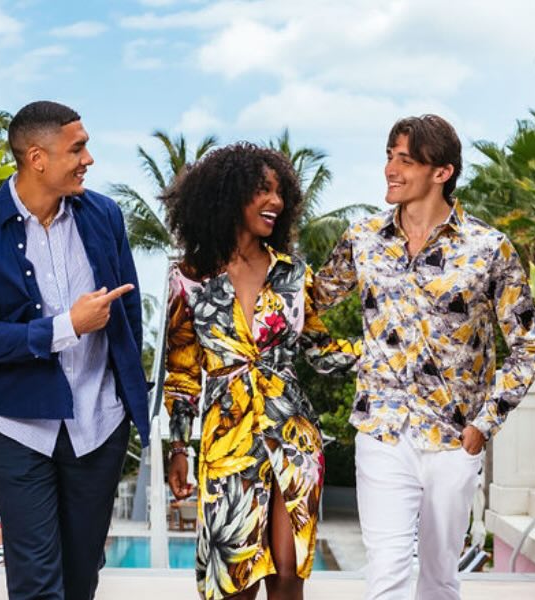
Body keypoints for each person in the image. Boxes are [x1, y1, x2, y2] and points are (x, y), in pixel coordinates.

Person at [312, 115, 535, 599]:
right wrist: (353, 359)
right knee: (388, 570)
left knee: (440, 578)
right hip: (382, 429)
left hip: (453, 436)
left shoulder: (489, 248)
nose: (390, 170)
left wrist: (483, 426)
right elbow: (305, 305)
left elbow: (528, 346)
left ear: (442, 172)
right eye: (388, 156)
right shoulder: (363, 240)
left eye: (405, 160)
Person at [0, 100, 149, 600]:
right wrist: (67, 326)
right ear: (37, 158)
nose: (89, 159)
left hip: (99, 425)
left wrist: (133, 405)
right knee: (37, 585)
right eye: (77, 148)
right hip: (22, 430)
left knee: (80, 580)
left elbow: (130, 317)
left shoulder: (104, 216)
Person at [162, 142, 359, 600]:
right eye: (262, 191)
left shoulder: (292, 274)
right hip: (227, 439)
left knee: (288, 574)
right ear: (227, 195)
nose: (275, 202)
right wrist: (178, 447)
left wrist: (385, 354)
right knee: (236, 581)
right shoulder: (189, 278)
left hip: (292, 434)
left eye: (280, 192)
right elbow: (182, 372)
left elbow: (321, 349)